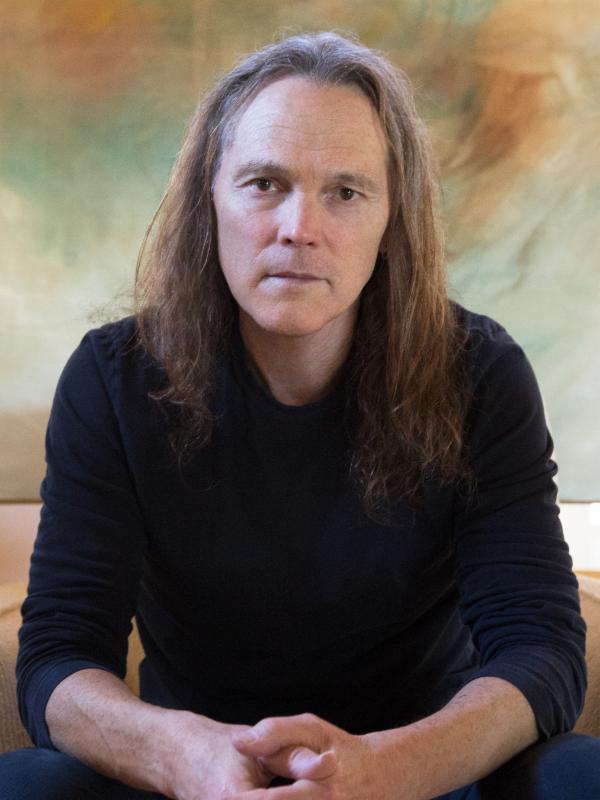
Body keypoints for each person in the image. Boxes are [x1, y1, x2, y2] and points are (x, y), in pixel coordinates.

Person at [1, 31, 599, 800]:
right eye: (264, 183)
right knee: (27, 784)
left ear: (391, 218)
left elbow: (541, 651)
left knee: (579, 773)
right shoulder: (112, 378)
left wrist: (382, 770)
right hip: (190, 781)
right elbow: (58, 657)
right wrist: (185, 757)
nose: (298, 228)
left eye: (345, 192)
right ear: (210, 198)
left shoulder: (482, 375)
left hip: (421, 779)